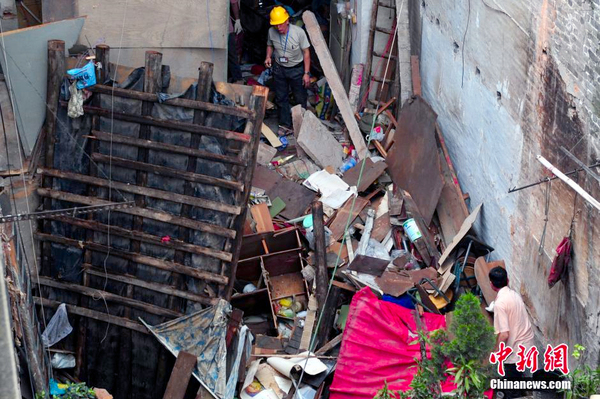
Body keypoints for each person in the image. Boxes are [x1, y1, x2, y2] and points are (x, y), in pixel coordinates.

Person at [489, 266, 535, 398]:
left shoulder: (500, 304)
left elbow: (504, 334)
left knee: (511, 388)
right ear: (508, 280)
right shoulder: (514, 294)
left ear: (492, 285)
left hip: (516, 350)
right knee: (516, 380)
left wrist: (496, 352)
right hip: (526, 344)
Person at [264, 6, 311, 131]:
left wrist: (306, 73)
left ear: (287, 21)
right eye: (275, 25)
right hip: (279, 68)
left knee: (300, 98)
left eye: (280, 24)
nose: (278, 28)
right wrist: (268, 56)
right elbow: (270, 45)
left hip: (296, 69)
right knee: (281, 98)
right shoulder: (271, 31)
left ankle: (302, 126)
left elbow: (306, 52)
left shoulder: (299, 33)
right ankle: (285, 125)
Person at [228, 0, 243, 82]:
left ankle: (235, 78)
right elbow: (233, 3)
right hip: (225, 28)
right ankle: (237, 79)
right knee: (232, 56)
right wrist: (237, 19)